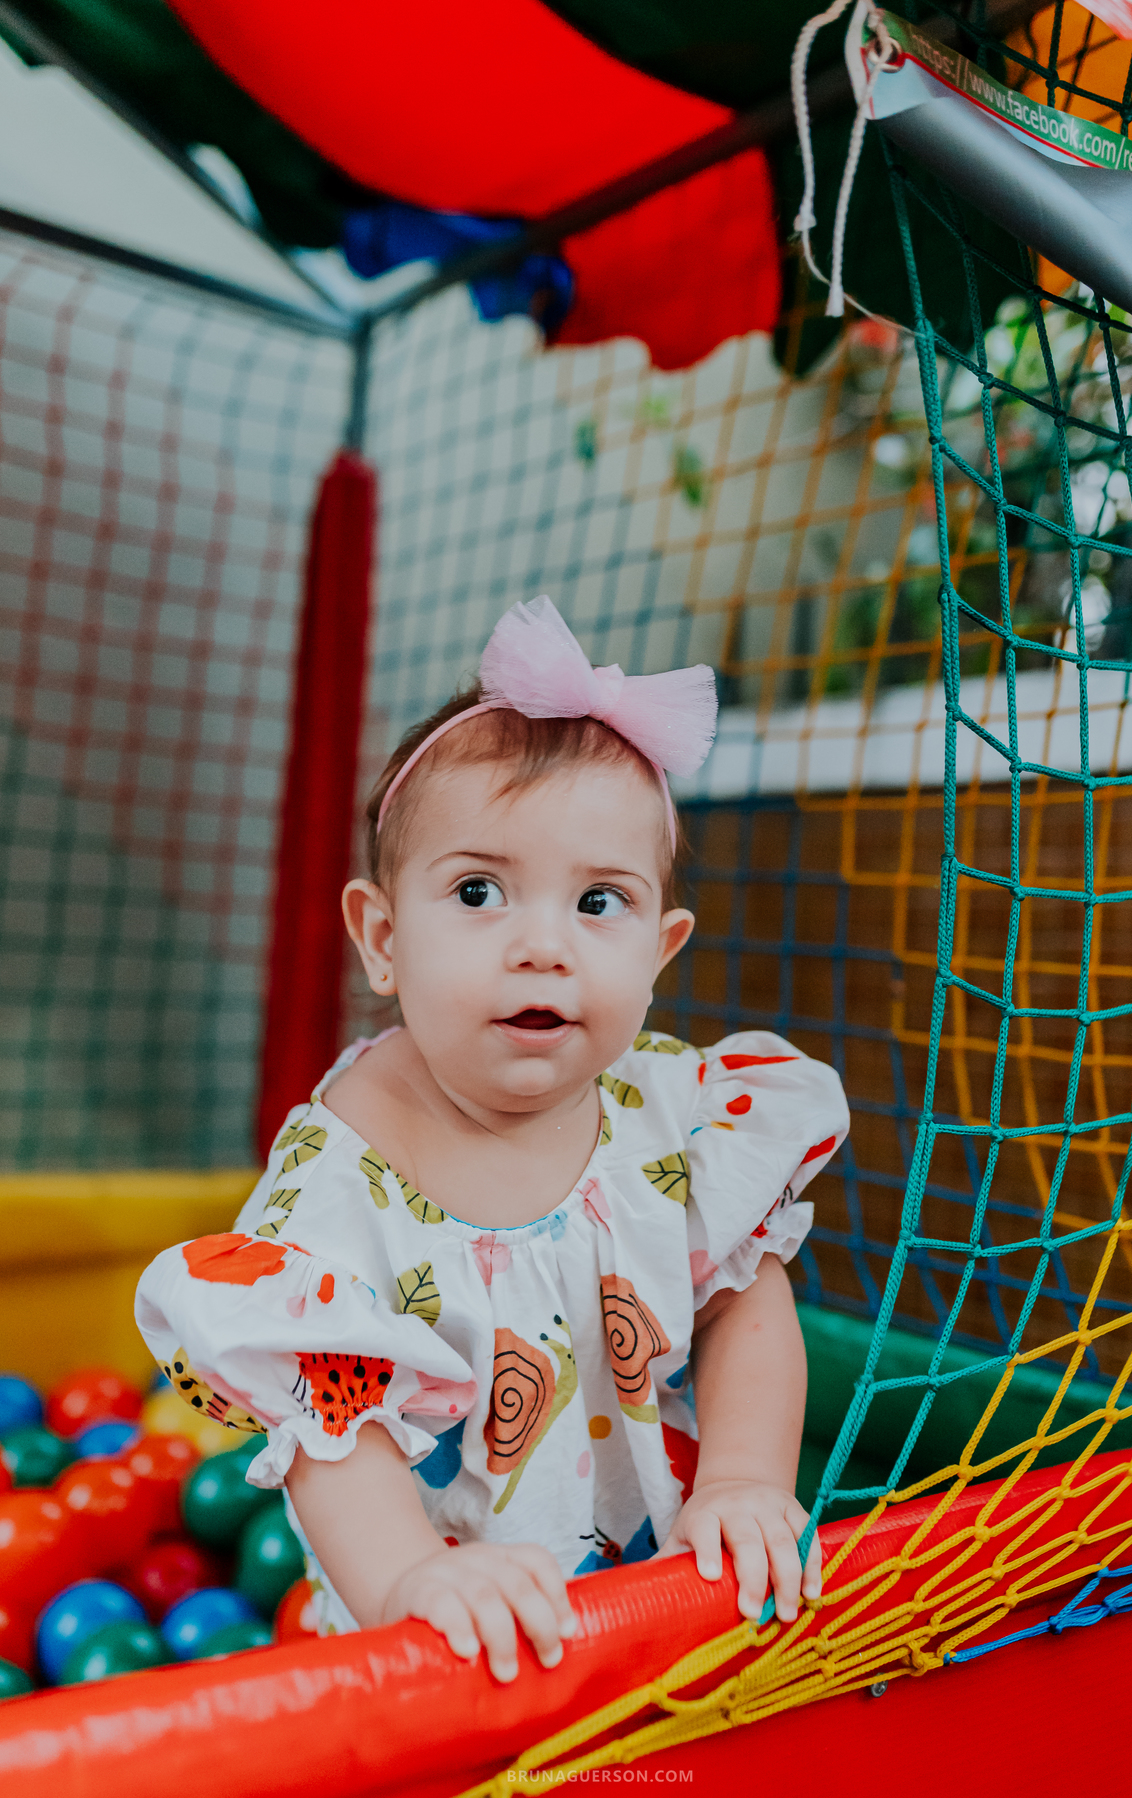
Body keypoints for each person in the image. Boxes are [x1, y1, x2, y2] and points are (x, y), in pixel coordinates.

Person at [136, 596, 849, 1683]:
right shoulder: (336, 1186)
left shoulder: (673, 1112)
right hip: (430, 1653)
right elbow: (334, 1432)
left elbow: (746, 1291)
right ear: (382, 937)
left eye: (599, 903)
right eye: (479, 890)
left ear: (660, 953)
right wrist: (411, 1578)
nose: (543, 947)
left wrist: (745, 1478)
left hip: (650, 1601)